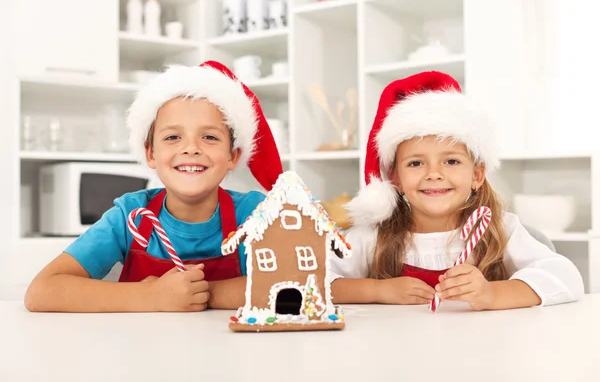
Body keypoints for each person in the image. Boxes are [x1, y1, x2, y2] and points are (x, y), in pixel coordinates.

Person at [25, 60, 283, 312]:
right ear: (150, 153)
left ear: (233, 155)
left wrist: (200, 293)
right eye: (172, 137)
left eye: (209, 137)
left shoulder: (255, 214)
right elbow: (41, 291)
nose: (191, 148)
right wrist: (150, 296)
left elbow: (299, 286)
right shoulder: (130, 215)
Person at [331, 71, 584, 310]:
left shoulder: (501, 230)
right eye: (416, 163)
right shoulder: (373, 238)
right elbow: (306, 282)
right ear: (395, 178)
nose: (434, 173)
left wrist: (492, 295)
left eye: (451, 161)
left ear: (477, 175)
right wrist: (378, 291)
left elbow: (566, 277)